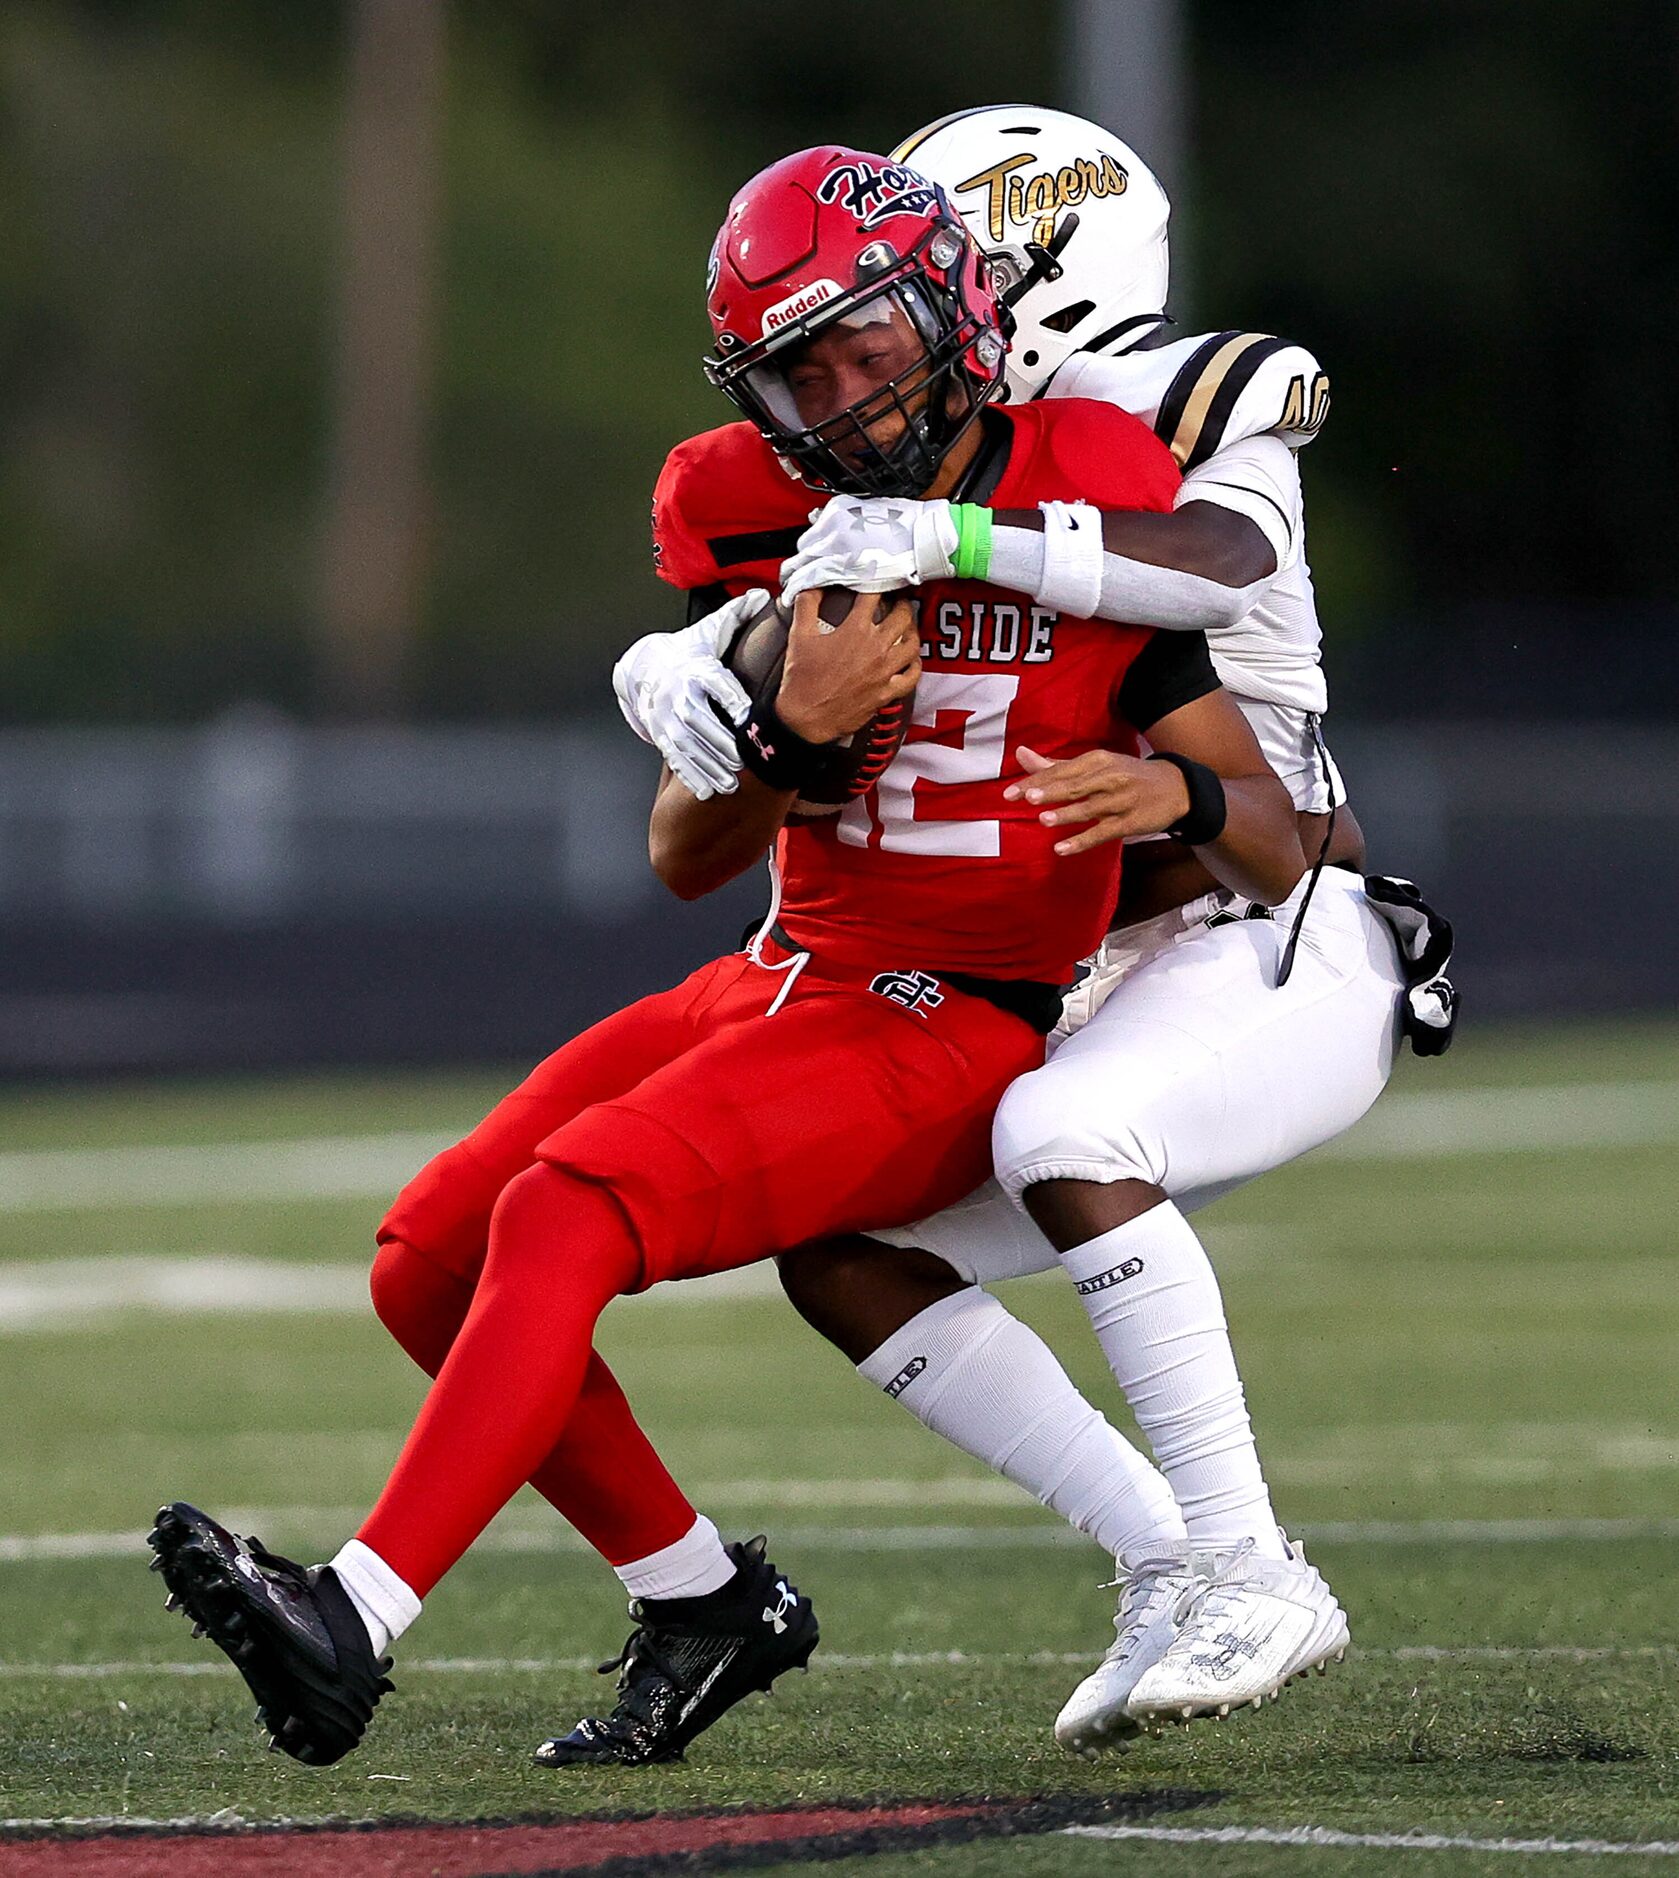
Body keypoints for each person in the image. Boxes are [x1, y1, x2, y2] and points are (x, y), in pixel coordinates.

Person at [147, 143, 1305, 1771]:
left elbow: (1258, 779)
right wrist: (773, 732)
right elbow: (685, 857)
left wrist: (1175, 787)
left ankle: (358, 1610)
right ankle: (702, 1599)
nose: (839, 397)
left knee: (571, 1204)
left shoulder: (1092, 467)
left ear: (957, 304)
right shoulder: (744, 501)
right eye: (797, 371)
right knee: (431, 1257)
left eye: (867, 345)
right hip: (788, 966)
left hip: (953, 1008)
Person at [617, 106, 1455, 1754]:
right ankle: (1163, 1559)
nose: (884, 336)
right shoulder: (916, 437)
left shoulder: (1179, 398)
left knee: (1063, 1126)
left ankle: (1249, 1564)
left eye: (947, 264)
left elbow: (1216, 561)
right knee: (847, 1243)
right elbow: (808, 591)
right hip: (1062, 951)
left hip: (1255, 908)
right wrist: (673, 661)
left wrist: (956, 541)